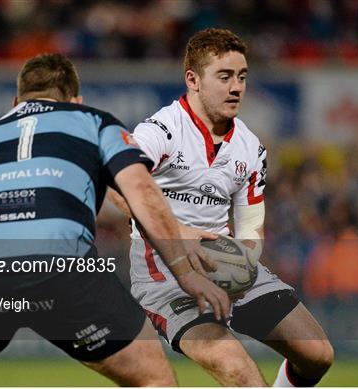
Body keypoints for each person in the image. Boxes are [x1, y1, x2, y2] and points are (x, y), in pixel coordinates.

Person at [0, 53, 230, 387]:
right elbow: (141, 192)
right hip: (60, 265)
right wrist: (186, 273)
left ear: (16, 102)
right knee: (154, 380)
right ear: (76, 100)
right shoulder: (92, 121)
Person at [109, 28, 334, 387]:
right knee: (240, 373)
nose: (236, 87)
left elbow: (250, 226)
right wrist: (180, 235)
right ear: (193, 80)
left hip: (224, 265)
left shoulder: (250, 146)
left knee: (318, 355)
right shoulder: (162, 131)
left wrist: (242, 262)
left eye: (242, 77)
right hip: (165, 278)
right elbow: (117, 184)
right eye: (225, 76)